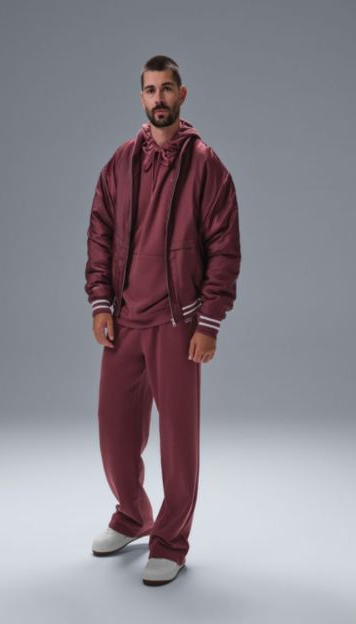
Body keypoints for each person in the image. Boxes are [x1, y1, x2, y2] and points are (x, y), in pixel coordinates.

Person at [84, 55, 241, 586]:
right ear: (141, 97)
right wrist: (100, 303)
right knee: (113, 430)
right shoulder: (121, 161)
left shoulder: (206, 165)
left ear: (182, 94)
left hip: (179, 322)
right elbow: (100, 233)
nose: (159, 98)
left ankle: (171, 542)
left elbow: (224, 248)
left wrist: (209, 322)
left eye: (167, 88)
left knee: (178, 441)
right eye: (150, 90)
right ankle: (133, 514)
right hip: (124, 321)